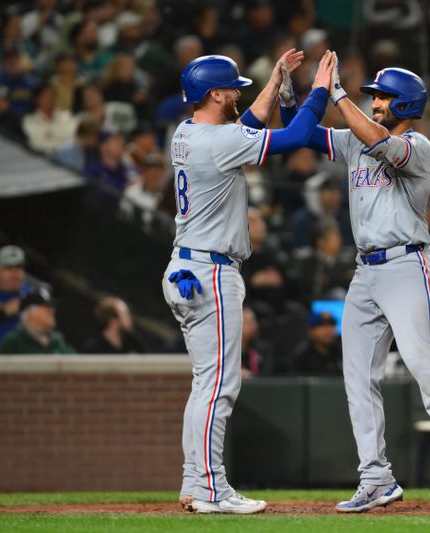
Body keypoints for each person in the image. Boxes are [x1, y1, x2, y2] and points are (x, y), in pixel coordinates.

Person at [279, 56, 430, 510]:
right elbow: (300, 134)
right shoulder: (356, 138)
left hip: (408, 265)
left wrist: (338, 95)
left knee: (423, 365)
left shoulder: (418, 145)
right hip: (366, 271)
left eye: (384, 96)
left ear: (407, 103)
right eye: (373, 96)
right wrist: (290, 92)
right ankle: (376, 477)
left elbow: (375, 140)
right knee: (357, 375)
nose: (376, 103)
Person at [161, 49, 335, 515]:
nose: (238, 92)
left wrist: (275, 83)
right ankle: (210, 488)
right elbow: (297, 135)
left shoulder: (189, 131)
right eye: (232, 87)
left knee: (206, 383)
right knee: (220, 386)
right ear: (215, 94)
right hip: (210, 273)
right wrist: (318, 88)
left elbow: (249, 126)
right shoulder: (216, 143)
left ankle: (195, 481)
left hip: (188, 265)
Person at [0, 288, 75, 355]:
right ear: (30, 312)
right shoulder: (15, 342)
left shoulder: (59, 341)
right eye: (47, 307)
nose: (52, 311)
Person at [289, 311, 343, 376]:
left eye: (331, 325)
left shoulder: (341, 351)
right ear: (311, 331)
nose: (328, 330)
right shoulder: (301, 357)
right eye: (322, 326)